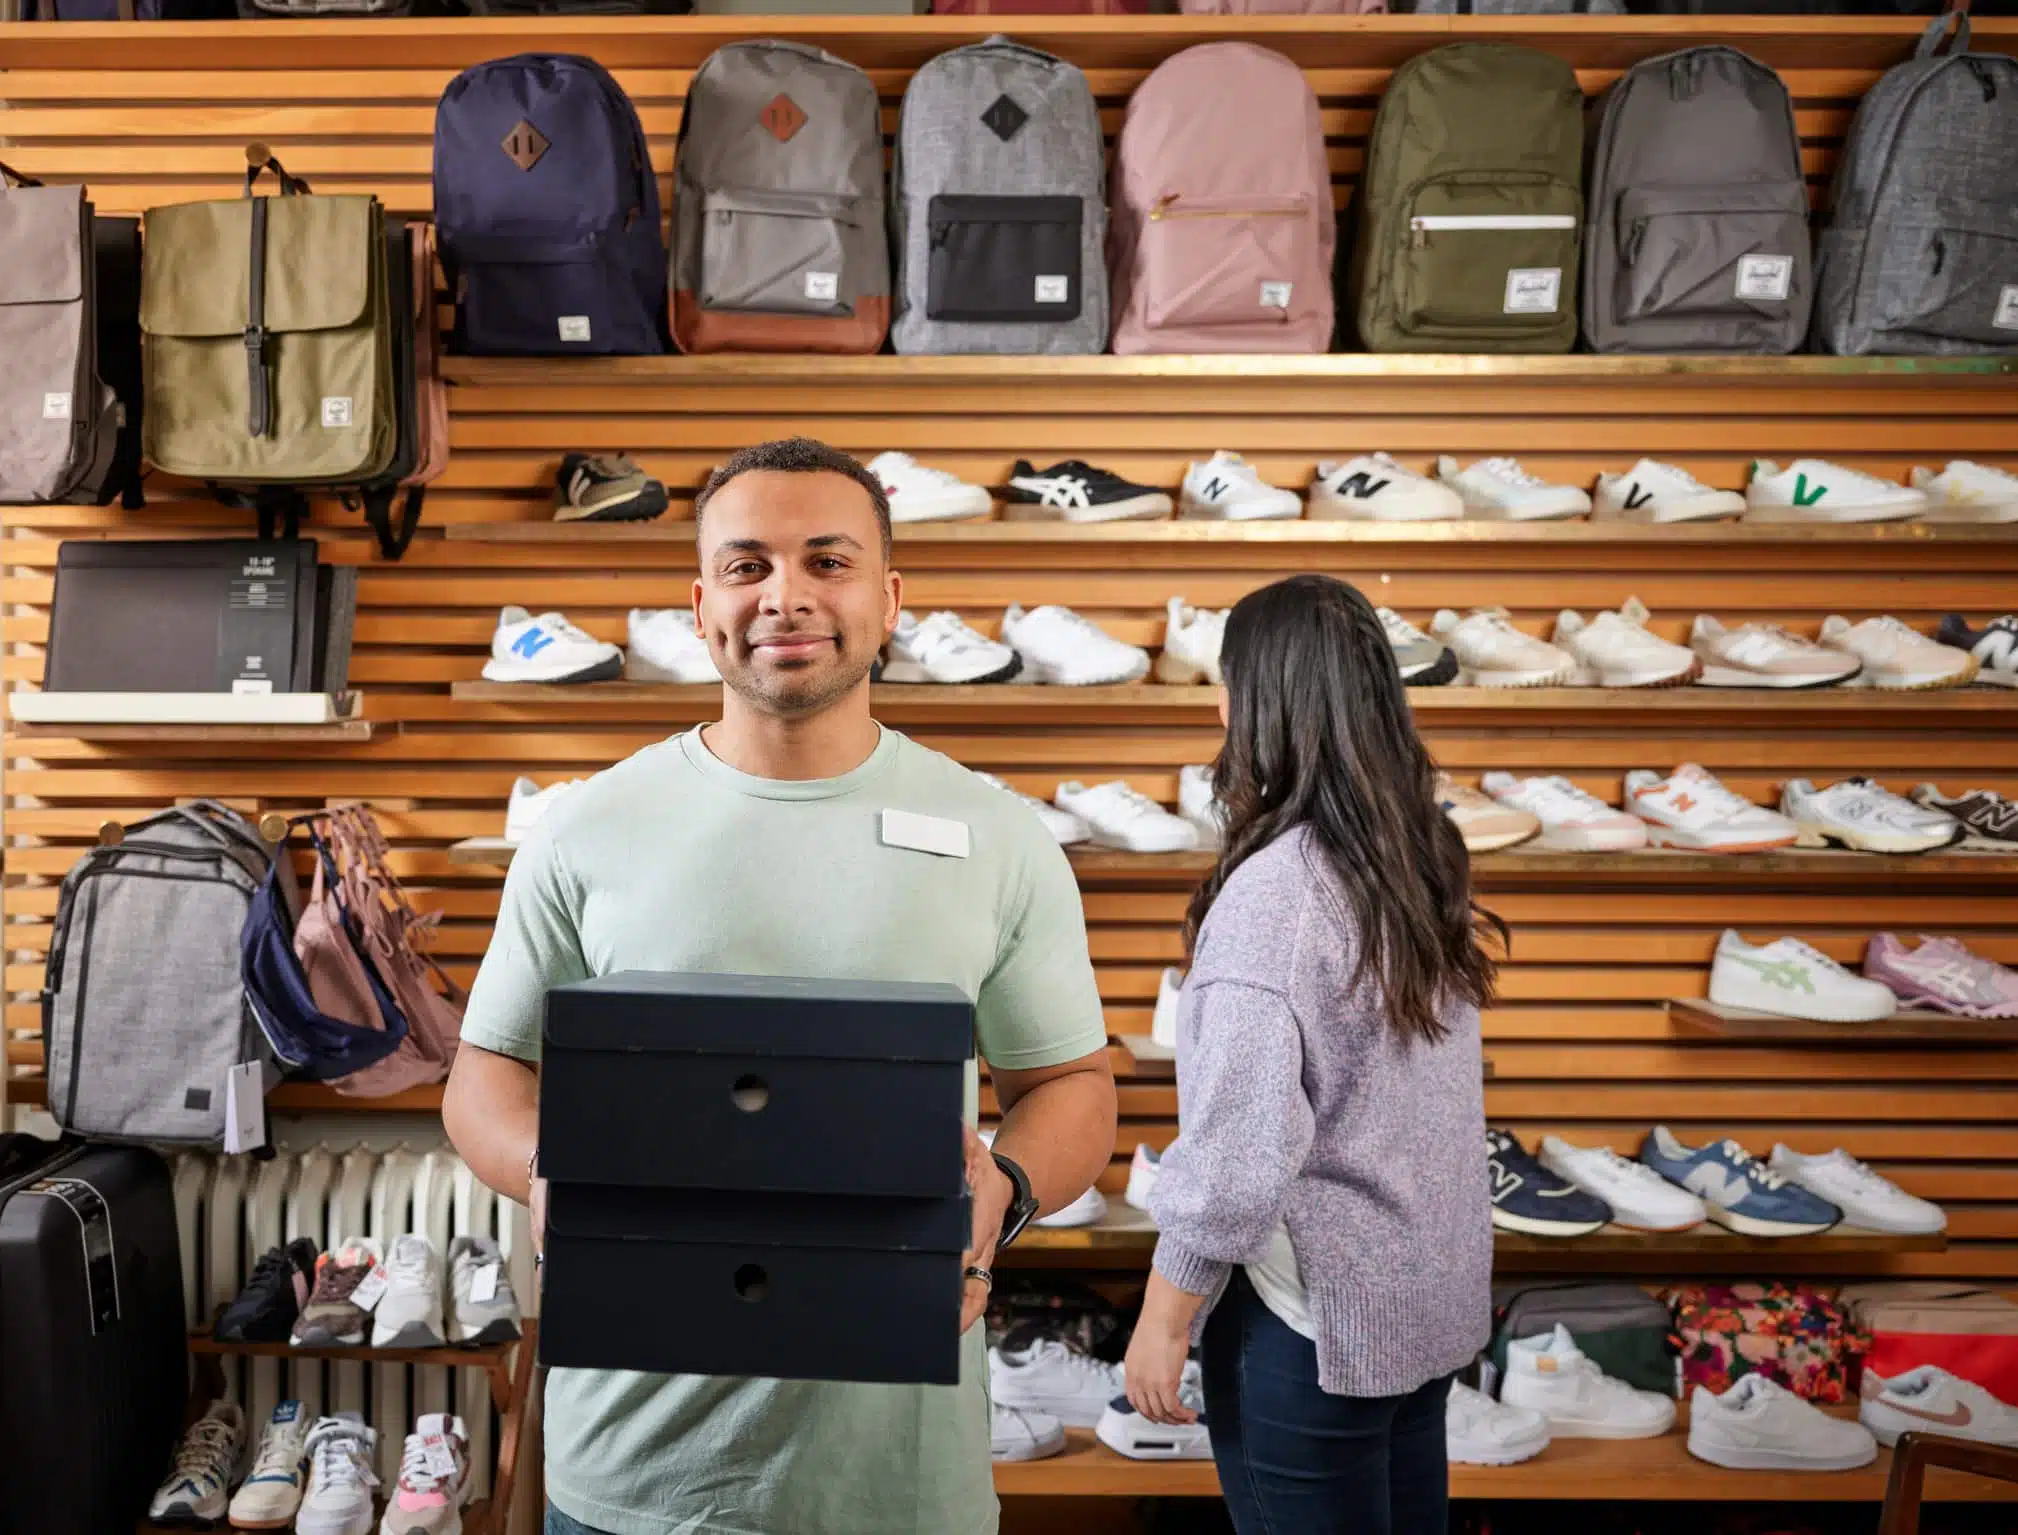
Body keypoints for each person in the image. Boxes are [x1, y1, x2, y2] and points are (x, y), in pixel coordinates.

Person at [442, 437, 1117, 1535]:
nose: (785, 596)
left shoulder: (998, 835)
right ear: (698, 599)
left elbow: (1072, 1083)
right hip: (630, 1476)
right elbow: (484, 1070)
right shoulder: (587, 826)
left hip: (896, 1482)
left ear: (889, 597)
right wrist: (542, 1176)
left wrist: (1003, 1185)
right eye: (747, 564)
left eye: (828, 561)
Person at [1118, 573, 1499, 1535]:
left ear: (1256, 706)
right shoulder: (1417, 852)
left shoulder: (1276, 893)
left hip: (1315, 1325)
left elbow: (1238, 1157)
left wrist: (1166, 1316)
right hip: (1420, 1308)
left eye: (1228, 683)